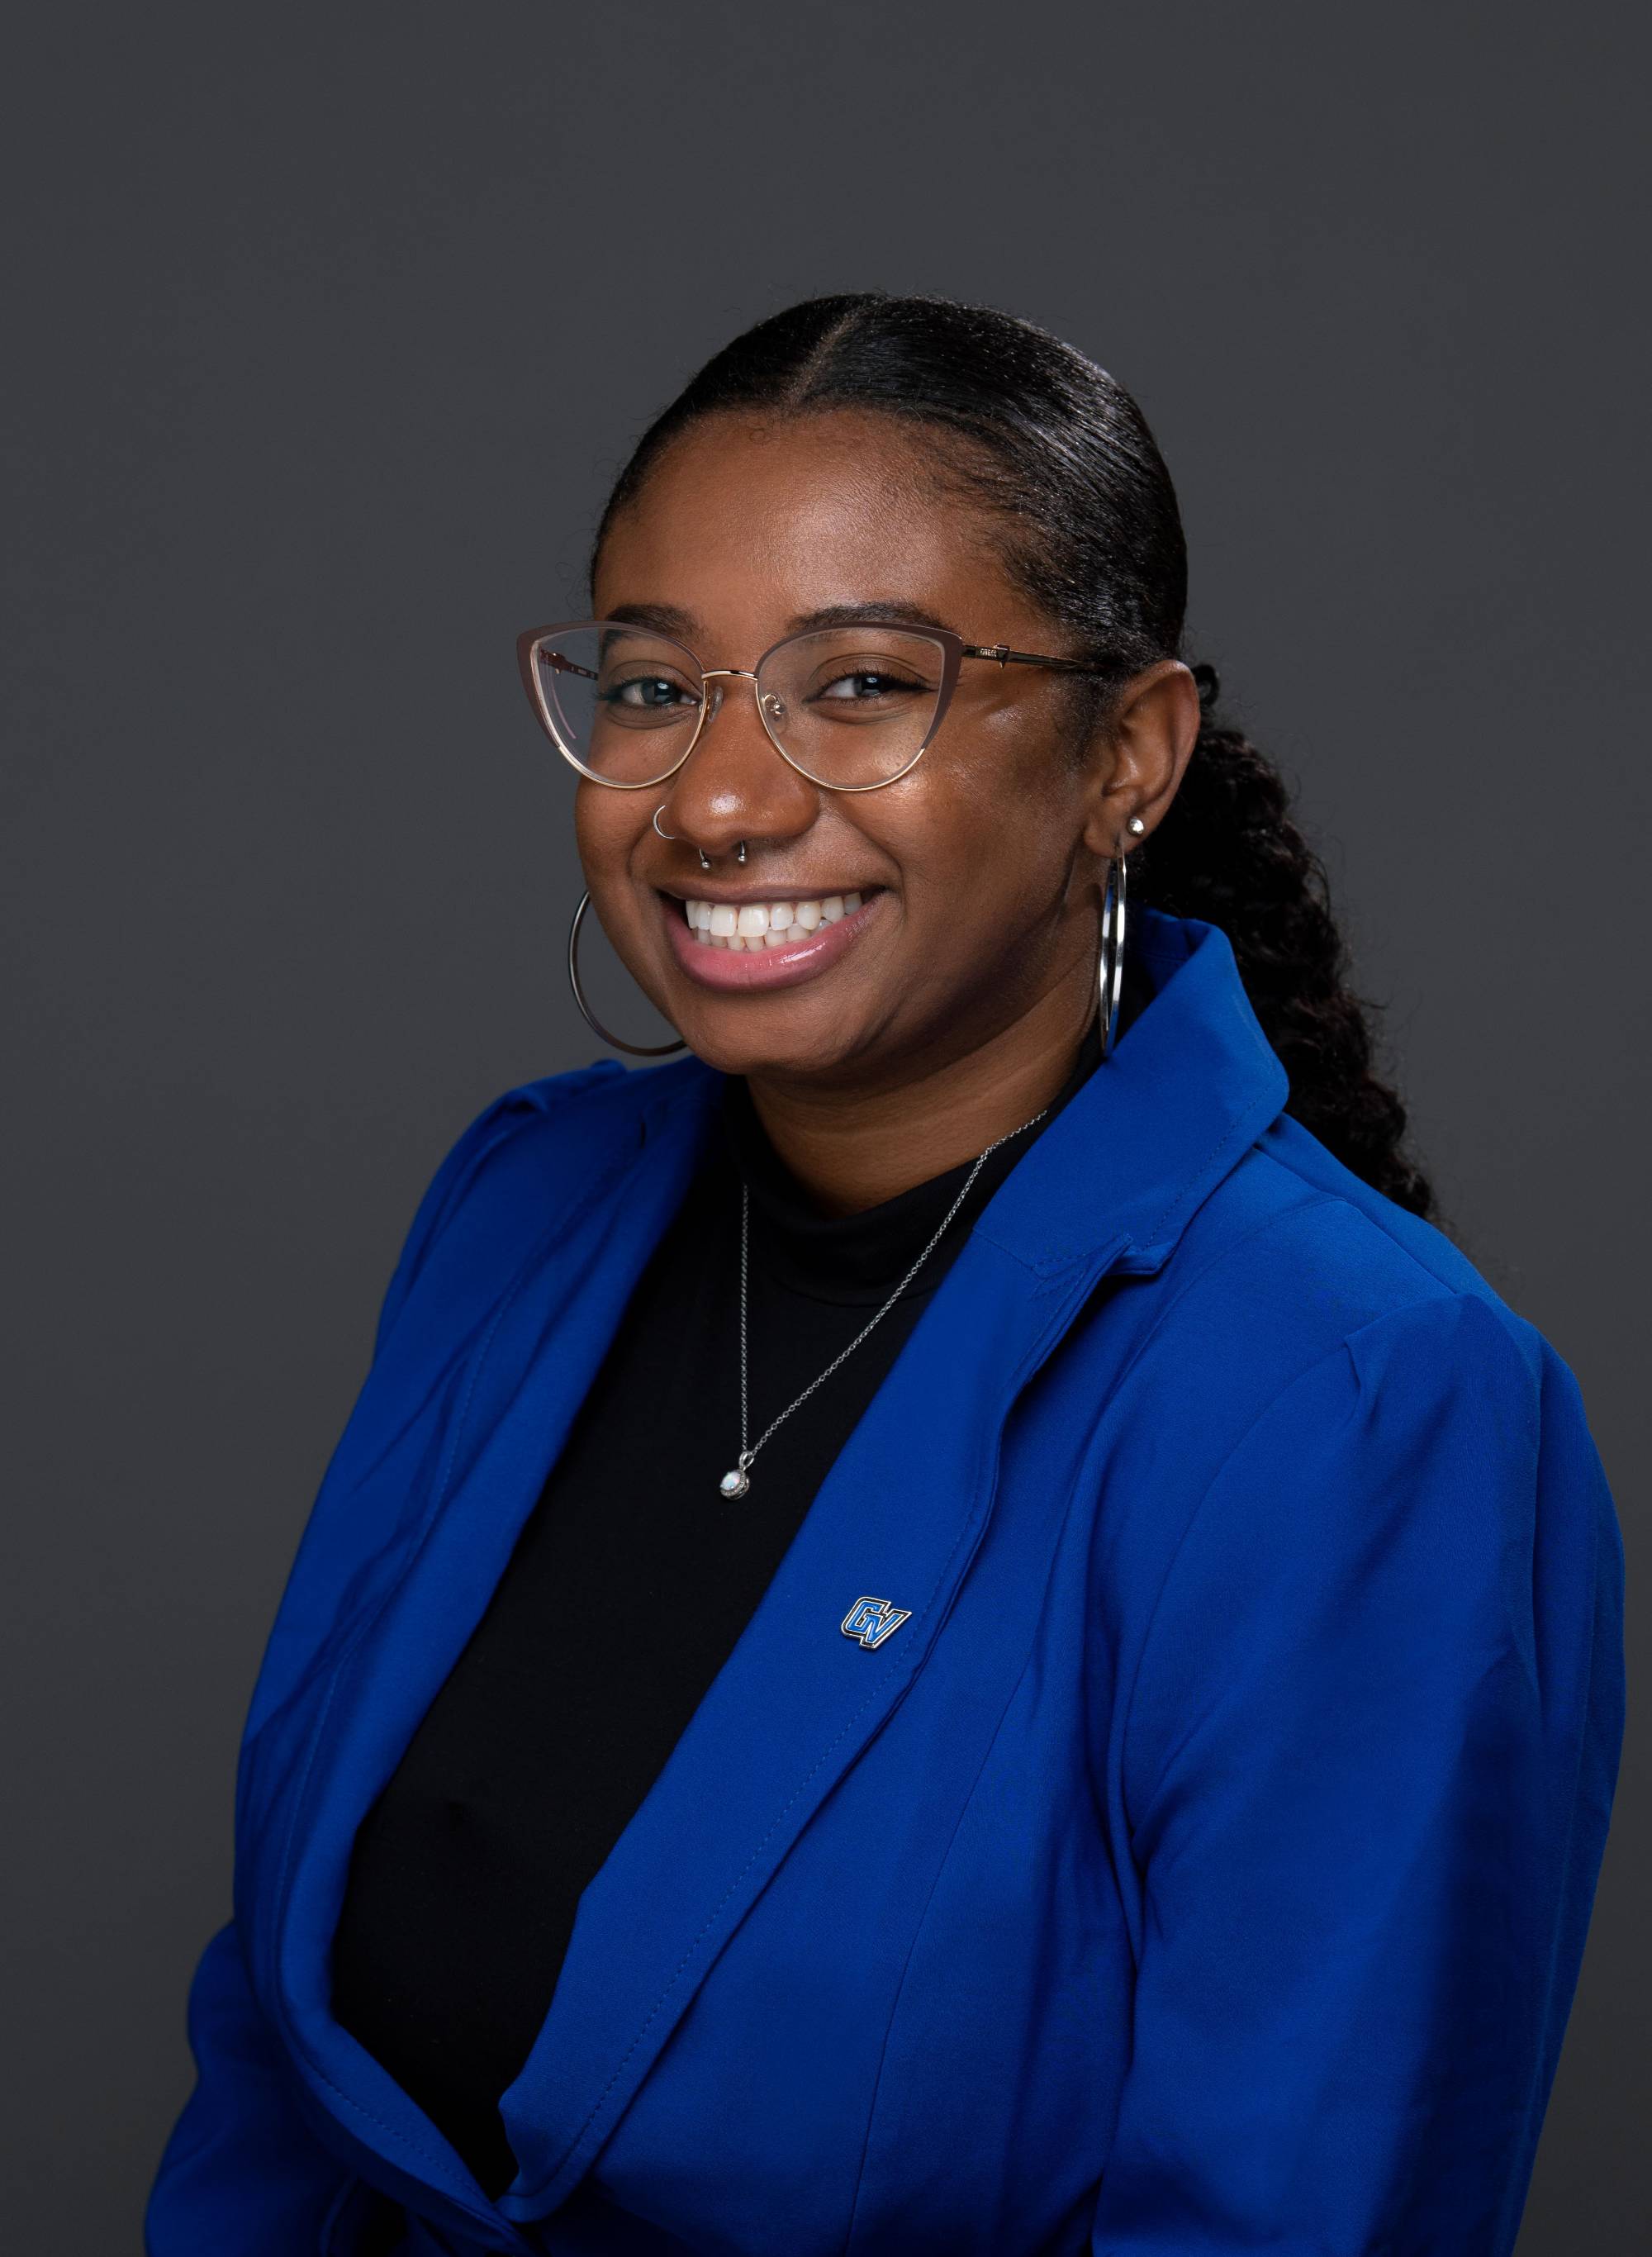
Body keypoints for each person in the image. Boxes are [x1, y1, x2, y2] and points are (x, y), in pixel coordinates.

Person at [145, 293, 1625, 2257]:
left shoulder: (1363, 1398)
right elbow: (278, 2051)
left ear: (1127, 756)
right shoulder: (519, 1205)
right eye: (655, 688)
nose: (716, 800)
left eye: (856, 685)